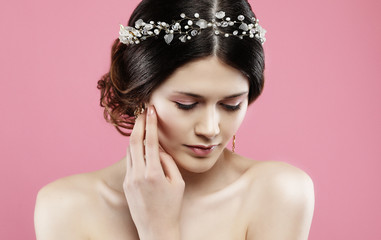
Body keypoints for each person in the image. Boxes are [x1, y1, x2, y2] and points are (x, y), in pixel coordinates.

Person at [34, 0, 315, 239]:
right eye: (186, 104)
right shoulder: (66, 207)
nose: (210, 129)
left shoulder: (278, 193)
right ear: (140, 93)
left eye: (231, 105)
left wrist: (159, 230)